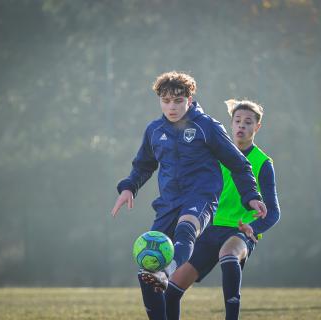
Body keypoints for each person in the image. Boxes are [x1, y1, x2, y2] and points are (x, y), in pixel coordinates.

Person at [111, 72, 267, 320]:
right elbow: (143, 165)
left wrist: (251, 196)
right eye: (165, 101)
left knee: (186, 229)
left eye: (177, 101)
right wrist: (129, 187)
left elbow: (239, 164)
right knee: (146, 272)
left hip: (202, 197)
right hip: (168, 203)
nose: (171, 107)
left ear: (189, 99)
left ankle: (168, 270)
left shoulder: (207, 126)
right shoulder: (154, 130)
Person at [164, 99, 281, 320]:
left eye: (248, 122)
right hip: (208, 230)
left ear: (257, 127)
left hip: (240, 232)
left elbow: (273, 212)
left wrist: (252, 228)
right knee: (171, 290)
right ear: (231, 124)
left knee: (228, 255)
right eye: (237, 121)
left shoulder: (263, 163)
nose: (241, 126)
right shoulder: (216, 156)